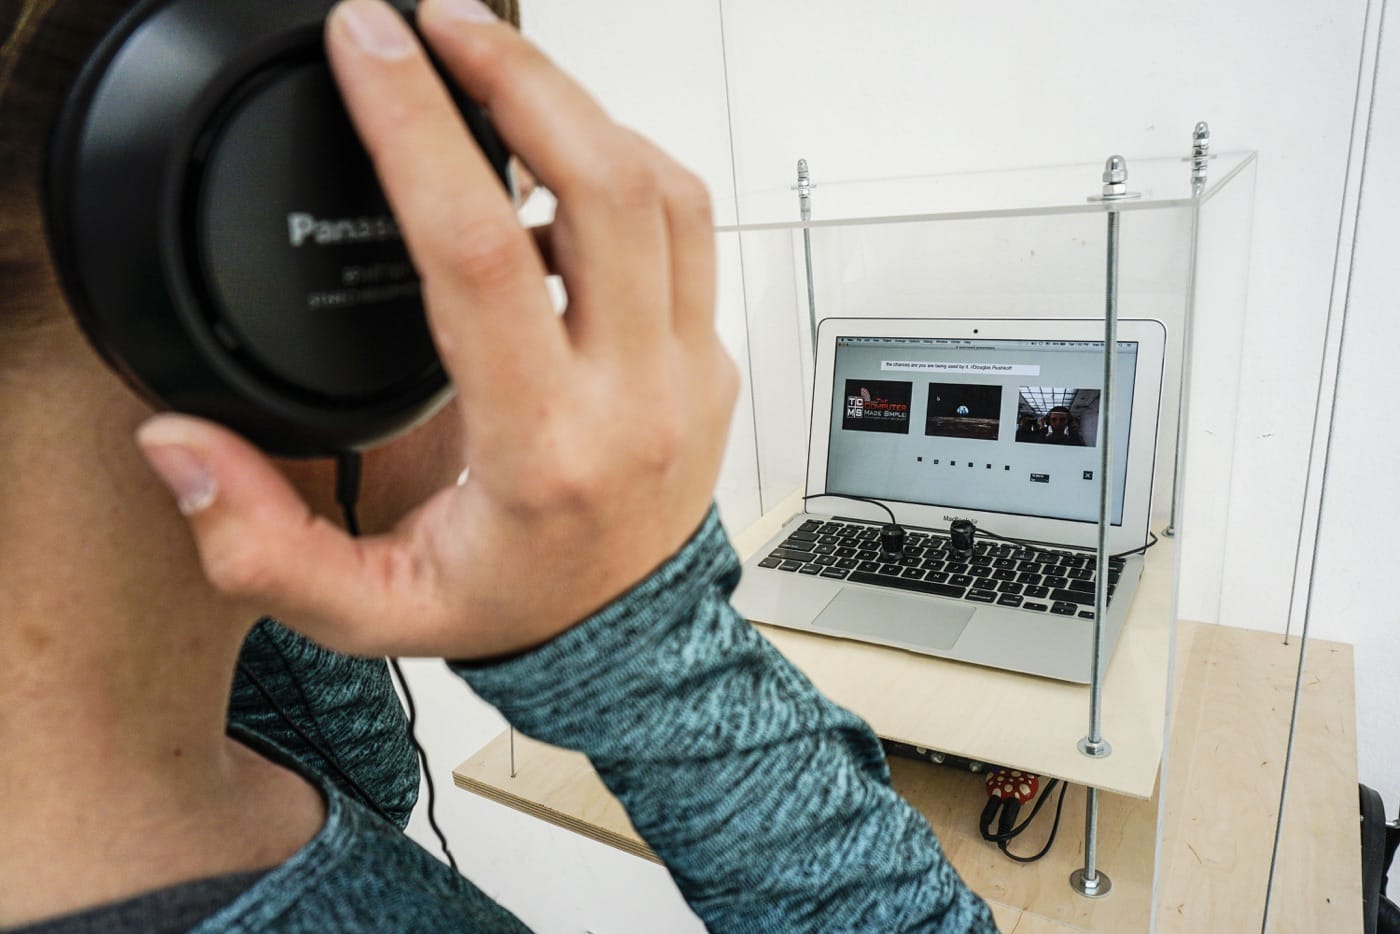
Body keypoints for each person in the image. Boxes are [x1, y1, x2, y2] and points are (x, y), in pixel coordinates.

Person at [0, 0, 996, 930]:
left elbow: (372, 778)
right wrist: (646, 638)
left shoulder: (235, 709)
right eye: (484, 217)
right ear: (317, 274)